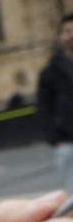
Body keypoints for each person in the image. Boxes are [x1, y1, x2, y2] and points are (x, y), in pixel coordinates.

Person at [37, 13, 73, 198]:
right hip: (67, 142)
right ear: (59, 37)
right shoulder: (50, 72)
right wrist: (54, 139)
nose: (71, 35)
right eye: (67, 31)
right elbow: (43, 108)